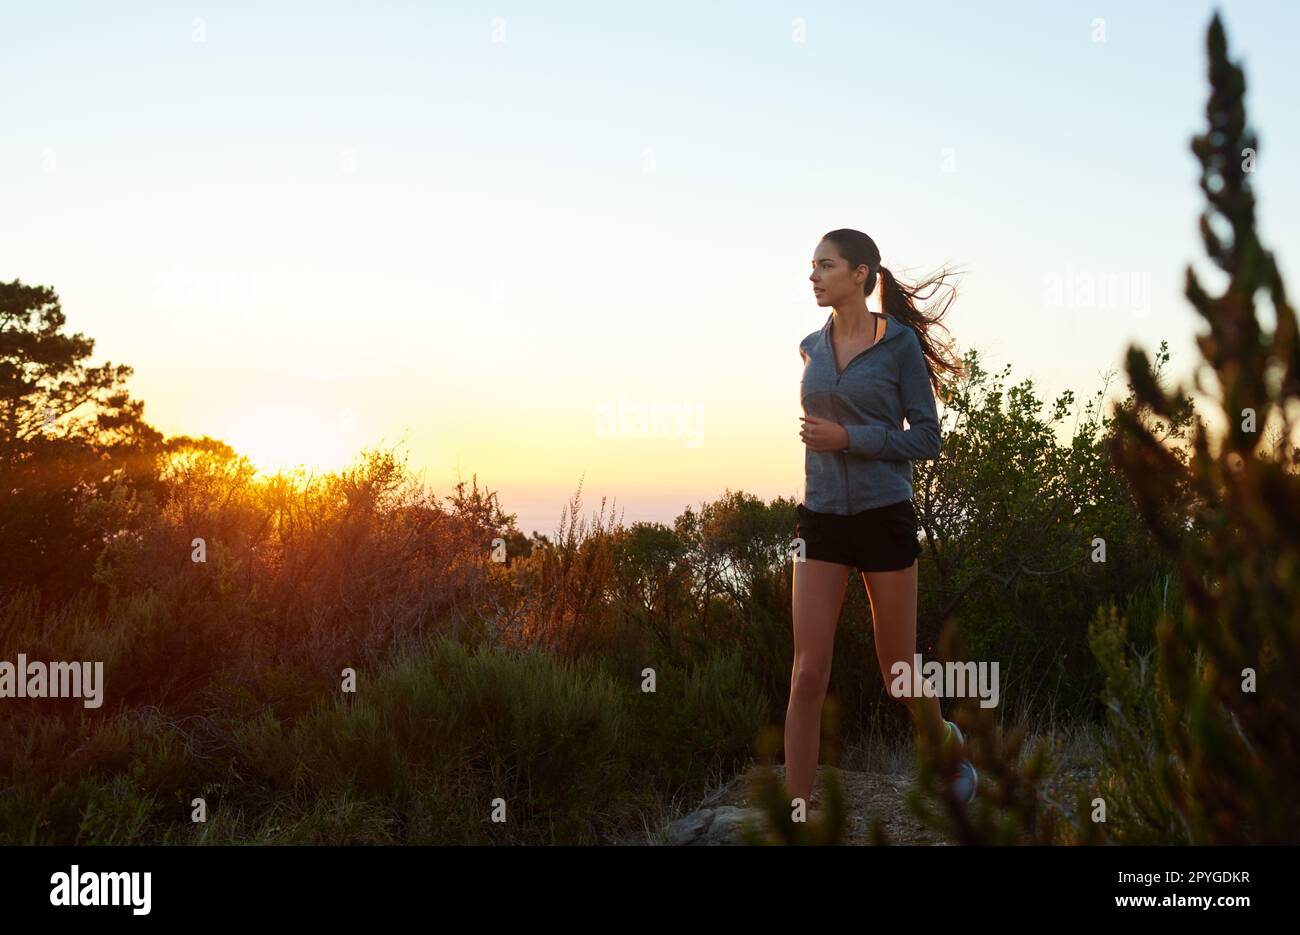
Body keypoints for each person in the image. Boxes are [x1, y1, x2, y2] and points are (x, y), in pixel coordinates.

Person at [787, 228, 976, 807]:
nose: (813, 276)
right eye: (812, 266)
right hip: (821, 520)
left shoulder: (899, 350)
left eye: (826, 265)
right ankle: (795, 810)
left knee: (897, 670)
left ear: (861, 274)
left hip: (884, 517)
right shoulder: (811, 348)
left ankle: (944, 743)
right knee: (807, 673)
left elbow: (926, 438)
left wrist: (849, 438)